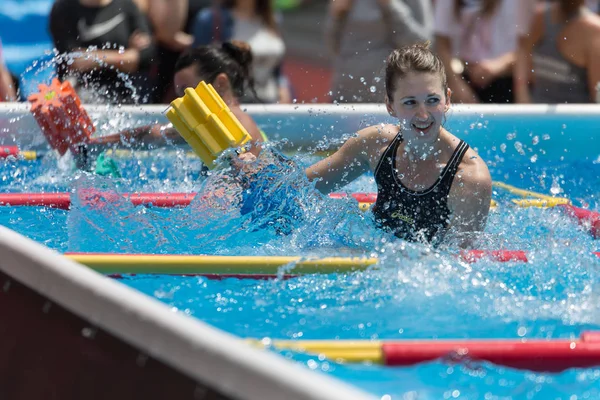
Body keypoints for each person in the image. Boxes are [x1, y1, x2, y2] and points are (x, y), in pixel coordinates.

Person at [305, 42, 492, 246]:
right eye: (410, 102)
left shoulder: (469, 178)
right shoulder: (374, 145)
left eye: (432, 100)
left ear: (447, 100)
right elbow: (299, 189)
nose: (423, 114)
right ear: (390, 106)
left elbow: (455, 267)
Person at [88, 41, 266, 156]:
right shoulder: (214, 126)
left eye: (187, 92)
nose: (181, 102)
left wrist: (98, 143)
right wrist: (100, 143)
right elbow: (155, 135)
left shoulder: (236, 124)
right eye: (179, 94)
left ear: (220, 84)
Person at [49, 0, 156, 104]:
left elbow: (146, 56)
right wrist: (126, 57)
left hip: (127, 93)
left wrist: (92, 57)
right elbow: (73, 60)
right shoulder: (64, 8)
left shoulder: (126, 5)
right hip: (84, 92)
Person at [327, 0, 433, 103]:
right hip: (343, 96)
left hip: (391, 100)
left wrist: (391, 5)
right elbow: (332, 45)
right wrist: (337, 16)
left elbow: (423, 43)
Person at [192, 0, 292, 104]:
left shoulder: (273, 17)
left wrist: (283, 87)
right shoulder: (211, 19)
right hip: (232, 103)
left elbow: (276, 68)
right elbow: (198, 66)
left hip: (271, 100)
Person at [434, 0, 530, 104]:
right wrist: (455, 83)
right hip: (461, 78)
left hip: (505, 81)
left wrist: (498, 66)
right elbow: (441, 43)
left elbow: (524, 47)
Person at [514, 0, 600, 103]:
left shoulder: (594, 32)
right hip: (536, 114)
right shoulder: (541, 18)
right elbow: (523, 55)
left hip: (575, 117)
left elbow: (597, 97)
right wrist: (522, 97)